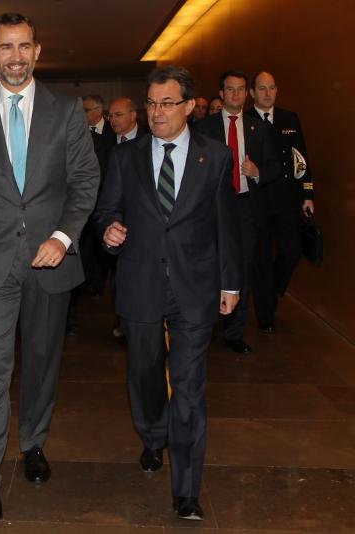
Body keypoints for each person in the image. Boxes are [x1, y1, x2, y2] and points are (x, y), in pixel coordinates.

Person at [0, 13, 99, 520]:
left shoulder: (66, 111)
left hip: (49, 261)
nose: (15, 57)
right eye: (5, 48)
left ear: (38, 51)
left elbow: (84, 182)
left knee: (40, 361)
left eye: (24, 47)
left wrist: (62, 236)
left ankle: (34, 442)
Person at [95, 65, 242, 521]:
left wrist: (230, 282)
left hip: (194, 286)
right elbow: (106, 210)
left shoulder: (215, 157)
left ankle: (186, 490)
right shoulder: (126, 156)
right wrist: (109, 230)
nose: (156, 112)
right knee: (143, 374)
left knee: (190, 388)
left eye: (166, 103)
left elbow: (226, 224)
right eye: (151, 104)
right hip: (139, 283)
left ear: (190, 107)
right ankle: (153, 435)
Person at [195, 70, 279, 355]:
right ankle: (202, 326)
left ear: (247, 93)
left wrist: (257, 172)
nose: (235, 94)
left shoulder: (259, 128)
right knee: (206, 265)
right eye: (230, 89)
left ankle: (234, 332)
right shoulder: (204, 128)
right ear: (221, 93)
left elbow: (274, 167)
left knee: (241, 269)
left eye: (241, 89)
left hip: (244, 207)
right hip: (211, 207)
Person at [246, 71, 315, 332]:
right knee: (261, 260)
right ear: (252, 93)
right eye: (262, 88)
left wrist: (307, 193)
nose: (267, 93)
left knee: (292, 250)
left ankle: (273, 288)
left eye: (272, 88)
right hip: (258, 201)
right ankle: (266, 317)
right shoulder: (245, 120)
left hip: (287, 199)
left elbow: (301, 158)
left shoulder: (289, 118)